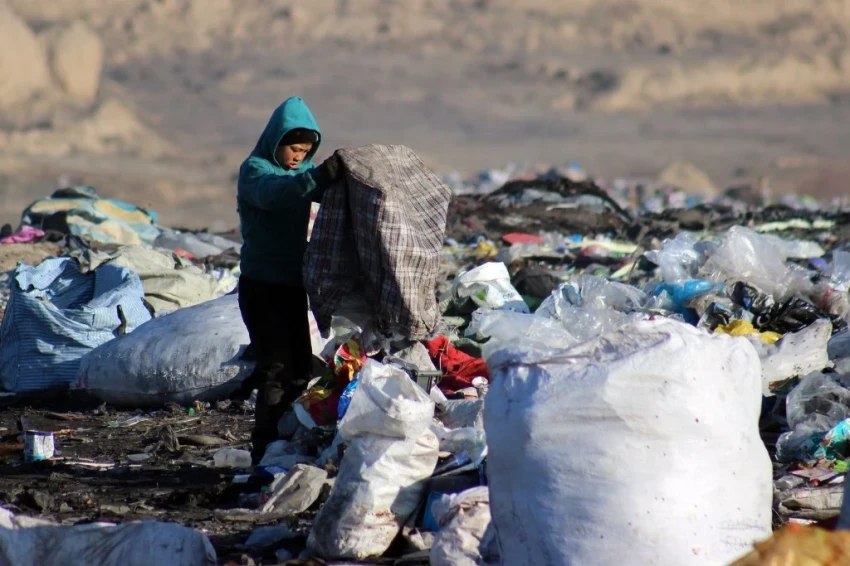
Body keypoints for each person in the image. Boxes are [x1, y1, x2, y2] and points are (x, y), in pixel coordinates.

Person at [236, 96, 341, 463]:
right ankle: (264, 451)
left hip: (294, 286)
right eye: (293, 148)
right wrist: (317, 177)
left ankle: (287, 443)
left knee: (299, 368)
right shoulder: (255, 171)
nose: (298, 156)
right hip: (263, 286)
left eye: (306, 150)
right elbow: (276, 195)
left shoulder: (305, 175)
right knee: (276, 368)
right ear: (276, 141)